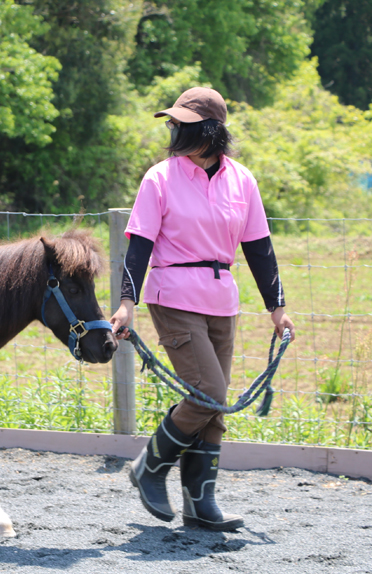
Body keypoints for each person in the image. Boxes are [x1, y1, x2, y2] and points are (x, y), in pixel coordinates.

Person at [109, 87, 296, 531]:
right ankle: (150, 467)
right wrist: (125, 304)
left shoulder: (242, 180)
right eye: (172, 123)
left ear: (209, 131)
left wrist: (278, 308)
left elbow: (260, 250)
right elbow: (139, 247)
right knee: (208, 390)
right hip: (172, 294)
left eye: (181, 124)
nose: (172, 130)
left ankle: (200, 502)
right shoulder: (160, 178)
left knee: (215, 402)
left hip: (222, 300)